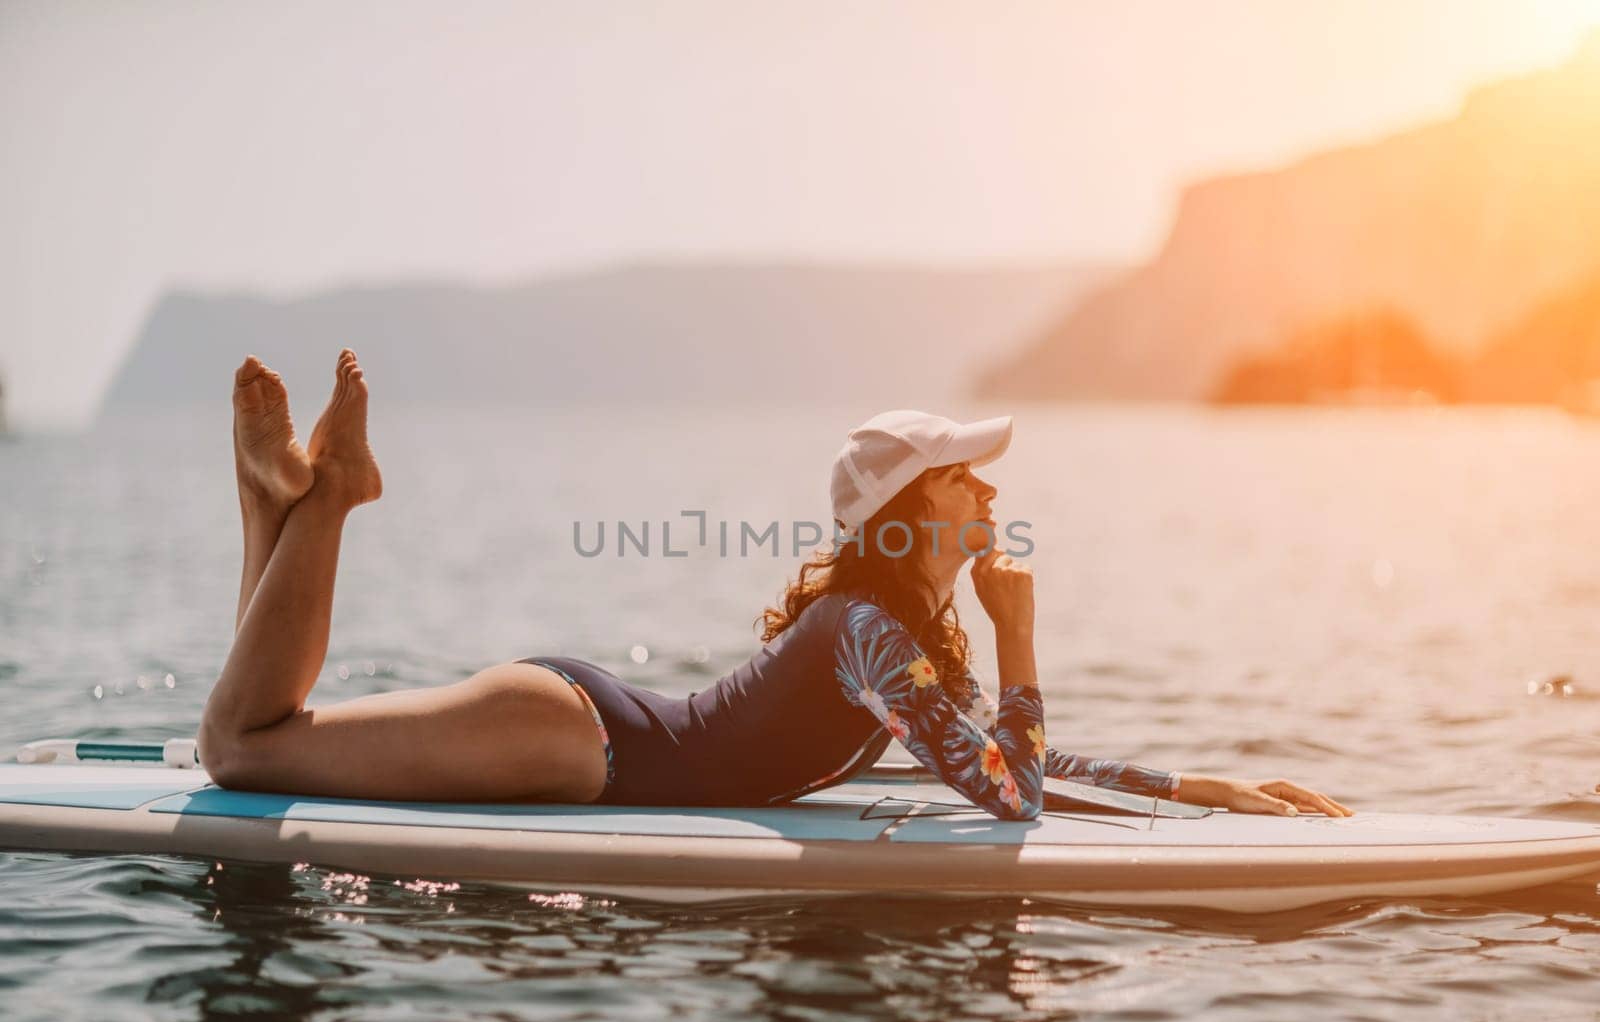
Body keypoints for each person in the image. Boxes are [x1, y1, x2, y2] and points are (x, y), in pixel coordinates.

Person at [199, 350, 1352, 820]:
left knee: (258, 741)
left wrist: (1195, 786)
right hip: (576, 742)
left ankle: (271, 504)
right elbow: (1009, 799)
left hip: (582, 726)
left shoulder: (889, 638)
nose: (992, 496)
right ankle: (336, 493)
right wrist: (1021, 638)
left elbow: (1006, 768)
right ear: (912, 511)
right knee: (245, 750)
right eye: (966, 478)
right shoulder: (862, 631)